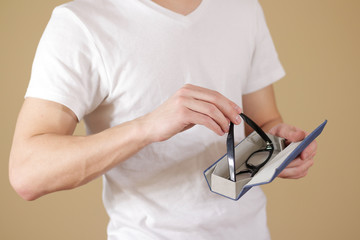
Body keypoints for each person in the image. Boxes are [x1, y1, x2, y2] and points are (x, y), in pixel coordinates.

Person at [9, 0, 317, 239]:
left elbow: (263, 122)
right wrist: (147, 127)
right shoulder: (82, 22)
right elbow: (28, 174)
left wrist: (278, 146)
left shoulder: (242, 8)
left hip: (252, 232)